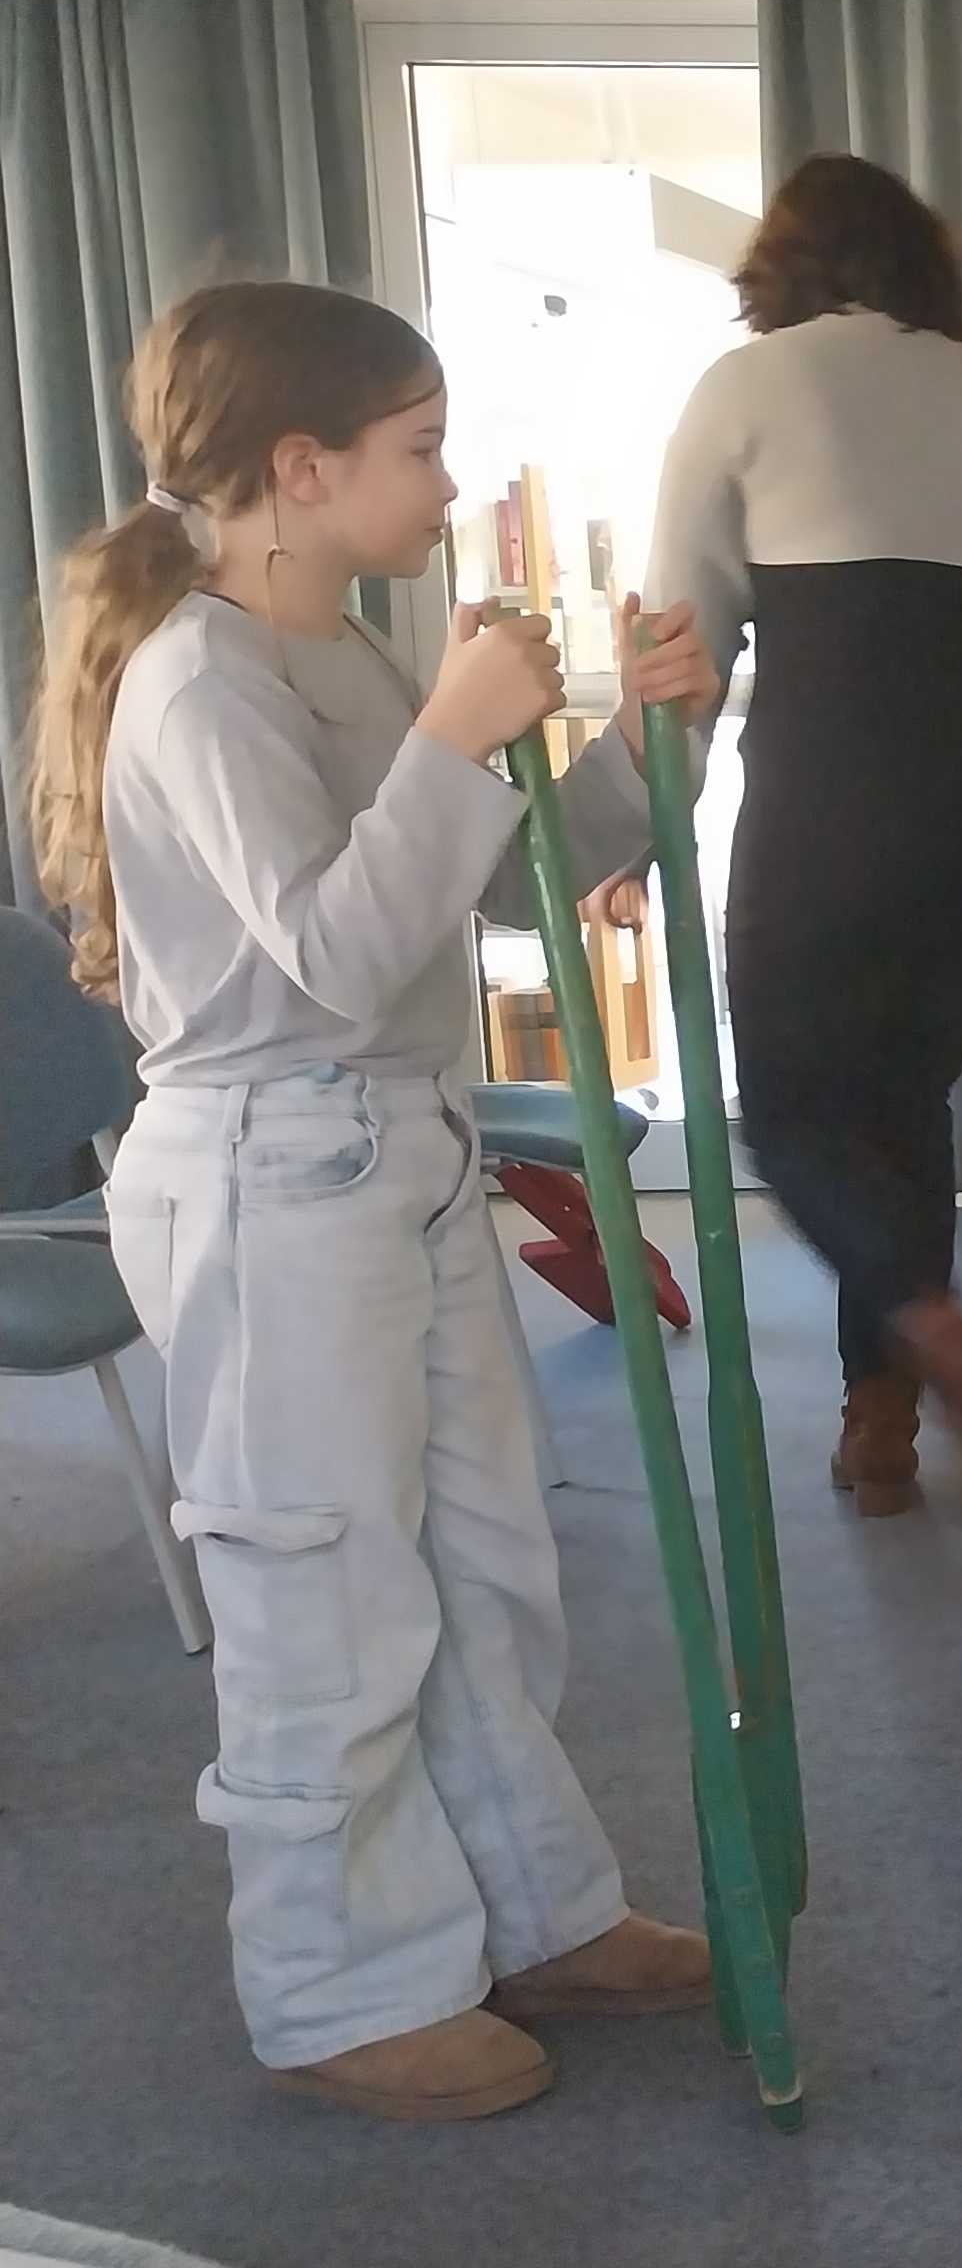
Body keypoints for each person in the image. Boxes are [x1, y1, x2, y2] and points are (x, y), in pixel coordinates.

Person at [25, 281, 719, 2120]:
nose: (448, 482)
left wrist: (641, 750)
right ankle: (341, 1986)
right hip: (272, 1171)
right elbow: (335, 951)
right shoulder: (196, 677)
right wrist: (451, 739)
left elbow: (472, 894)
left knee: (482, 1565)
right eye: (420, 449)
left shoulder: (338, 648)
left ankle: (528, 1906)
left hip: (397, 1150)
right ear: (300, 468)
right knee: (321, 1589)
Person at [649, 154, 962, 1515]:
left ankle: (939, 1338)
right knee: (901, 1105)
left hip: (827, 804)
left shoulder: (743, 391)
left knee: (793, 1114)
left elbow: (678, 651)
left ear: (781, 265)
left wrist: (640, 829)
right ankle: (883, 1426)